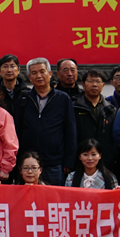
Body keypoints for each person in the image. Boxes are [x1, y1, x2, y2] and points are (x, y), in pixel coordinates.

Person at [13, 57, 77, 186]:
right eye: (34, 73)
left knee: (54, 197)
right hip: (29, 164)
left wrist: (69, 162)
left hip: (54, 163)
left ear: (50, 74)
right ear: (29, 77)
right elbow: (17, 131)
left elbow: (71, 131)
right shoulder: (24, 98)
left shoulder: (63, 98)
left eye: (42, 71)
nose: (39, 76)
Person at [73, 70, 119, 178]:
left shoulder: (110, 109)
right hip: (80, 160)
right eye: (90, 81)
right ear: (83, 84)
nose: (94, 84)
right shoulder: (74, 107)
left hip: (106, 161)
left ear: (103, 85)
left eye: (98, 81)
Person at [11, 151, 44, 237]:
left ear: (40, 170)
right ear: (20, 170)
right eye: (26, 168)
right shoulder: (12, 189)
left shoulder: (48, 190)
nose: (30, 172)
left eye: (34, 168)